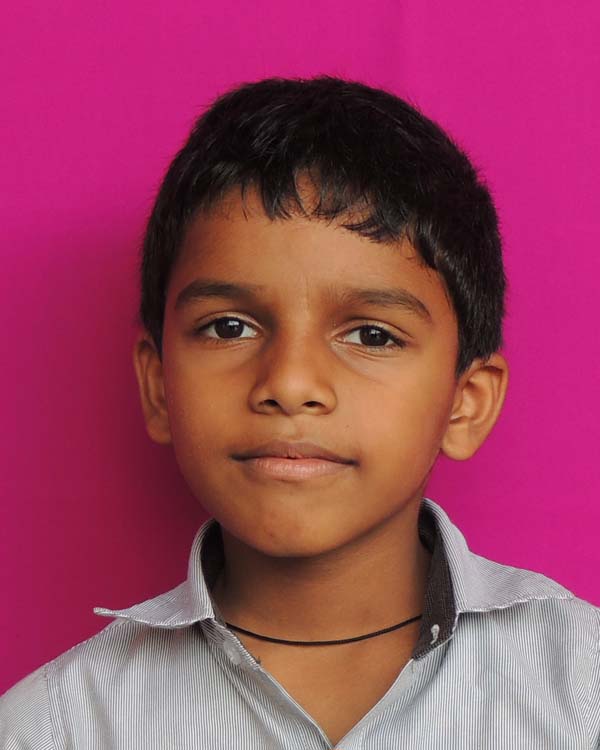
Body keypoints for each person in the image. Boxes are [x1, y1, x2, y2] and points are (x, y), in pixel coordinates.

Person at [1, 75, 598, 749]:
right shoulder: (54, 728)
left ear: (465, 403)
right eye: (229, 327)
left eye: (371, 335)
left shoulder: (582, 692)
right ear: (159, 384)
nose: (289, 383)